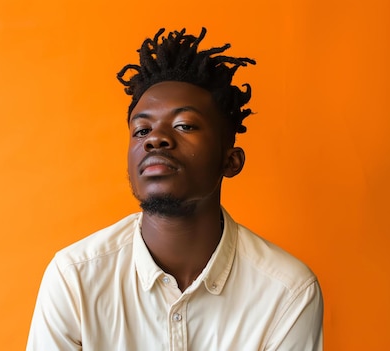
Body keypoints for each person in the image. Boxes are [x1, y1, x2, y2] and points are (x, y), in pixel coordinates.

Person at [26, 28, 323, 351]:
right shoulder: (74, 279)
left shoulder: (287, 291)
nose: (155, 139)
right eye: (141, 130)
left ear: (231, 161)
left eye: (184, 125)